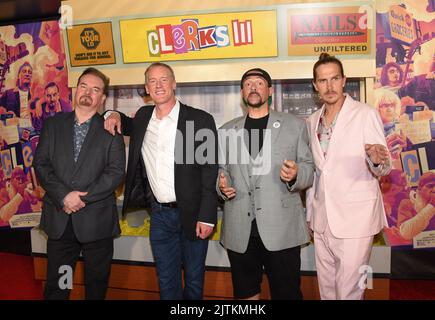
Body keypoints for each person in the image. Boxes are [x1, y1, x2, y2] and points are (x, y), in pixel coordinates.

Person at [104, 62, 218, 300]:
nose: (158, 85)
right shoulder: (144, 117)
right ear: (146, 87)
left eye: (164, 79)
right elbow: (122, 122)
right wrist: (110, 113)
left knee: (194, 282)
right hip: (160, 217)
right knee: (166, 281)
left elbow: (209, 172)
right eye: (152, 81)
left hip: (193, 214)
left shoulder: (199, 120)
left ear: (174, 83)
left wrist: (207, 216)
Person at [217, 68, 314, 300]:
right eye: (248, 83)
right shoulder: (226, 130)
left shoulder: (295, 125)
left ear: (269, 90)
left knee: (287, 293)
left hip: (281, 230)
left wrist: (296, 174)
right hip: (240, 230)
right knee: (245, 294)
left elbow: (309, 168)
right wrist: (221, 186)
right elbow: (220, 171)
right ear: (242, 92)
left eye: (259, 83)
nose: (253, 87)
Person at [33, 67, 125, 300]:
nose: (88, 92)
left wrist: (81, 197)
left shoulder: (110, 130)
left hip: (97, 223)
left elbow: (115, 173)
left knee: (96, 285)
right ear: (75, 90)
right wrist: (65, 196)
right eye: (84, 86)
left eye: (95, 89)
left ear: (102, 98)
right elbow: (41, 164)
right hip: (60, 221)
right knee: (60, 283)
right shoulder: (53, 125)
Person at [306, 53, 392, 300]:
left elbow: (384, 167)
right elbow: (317, 173)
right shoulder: (312, 121)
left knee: (351, 290)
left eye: (334, 79)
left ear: (344, 80)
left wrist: (377, 159)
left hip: (356, 219)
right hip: (322, 220)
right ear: (315, 85)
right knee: (327, 289)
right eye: (322, 81)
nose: (329, 86)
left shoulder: (365, 114)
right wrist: (311, 215)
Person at [396, 171, 435, 242]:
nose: (434, 189)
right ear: (420, 188)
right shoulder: (407, 203)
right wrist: (432, 206)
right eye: (430, 186)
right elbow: (405, 233)